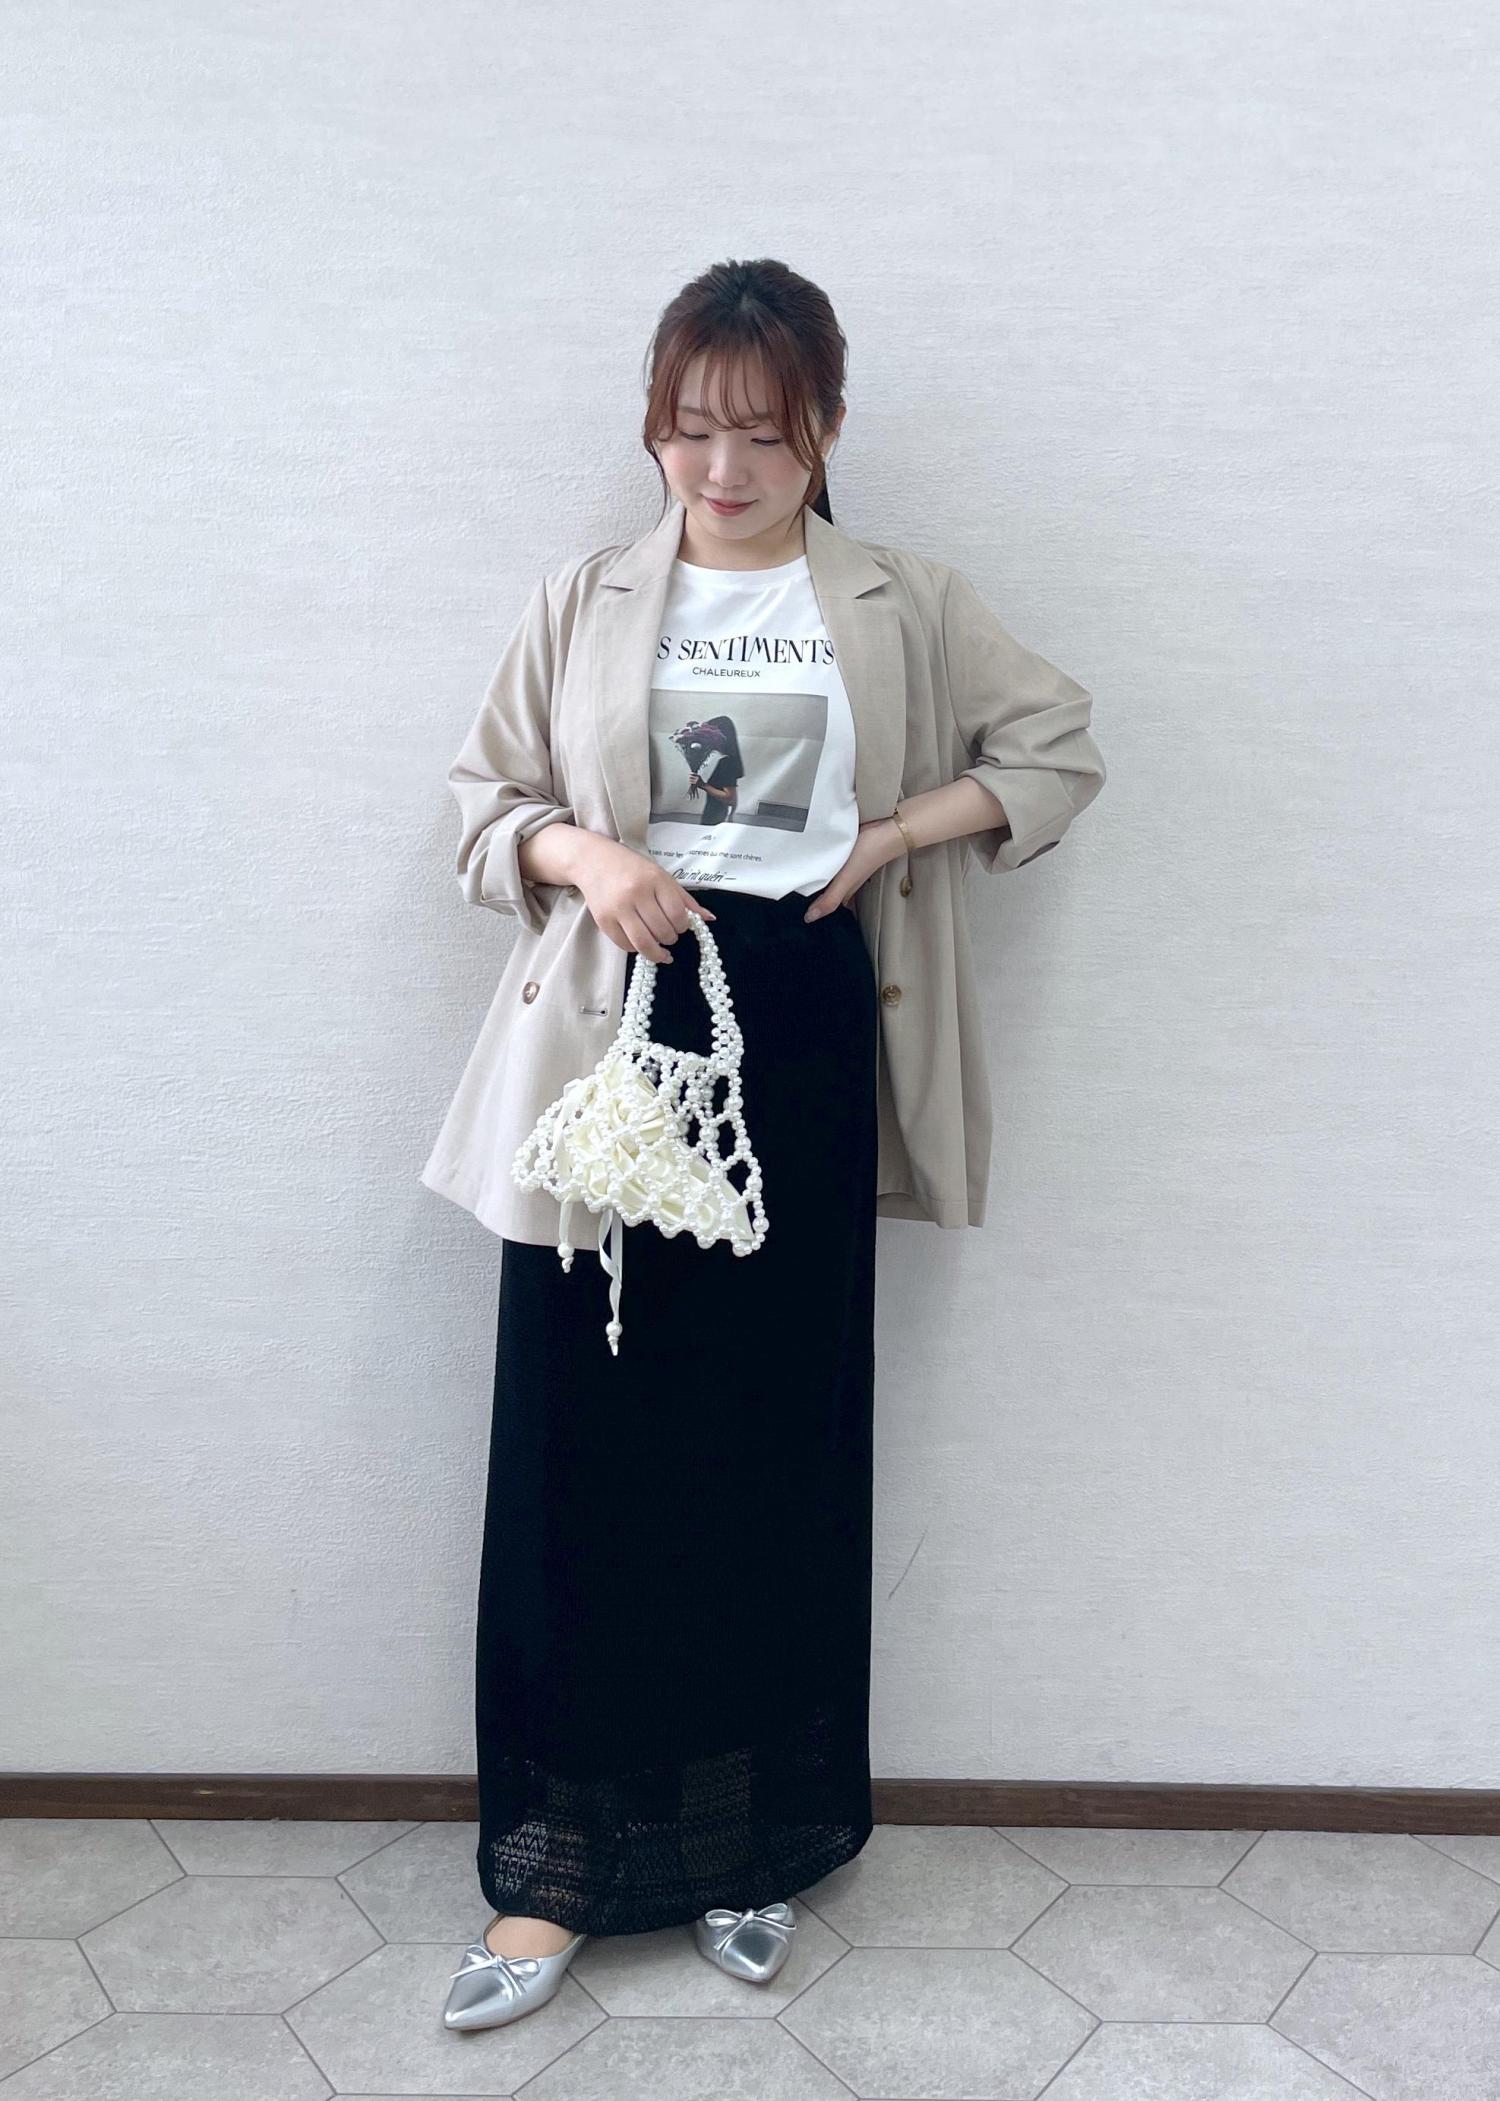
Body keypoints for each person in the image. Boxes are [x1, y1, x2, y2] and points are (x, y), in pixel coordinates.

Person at [422, 257, 1107, 2030]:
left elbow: (1057, 747)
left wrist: (893, 835)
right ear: (654, 427)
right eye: (688, 429)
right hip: (610, 1034)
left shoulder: (899, 599)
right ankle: (553, 1870)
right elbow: (480, 805)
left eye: (763, 435)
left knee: (769, 1444)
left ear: (826, 431)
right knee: (577, 1442)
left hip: (798, 1032)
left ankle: (745, 1844)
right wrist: (590, 856)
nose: (720, 470)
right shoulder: (586, 597)